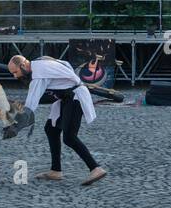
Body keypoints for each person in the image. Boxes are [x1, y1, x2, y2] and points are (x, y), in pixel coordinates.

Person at [8, 54, 107, 185]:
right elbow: (65, 64)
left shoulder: (39, 74)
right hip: (66, 98)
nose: (15, 76)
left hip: (75, 97)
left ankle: (95, 168)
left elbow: (32, 104)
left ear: (23, 65)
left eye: (16, 72)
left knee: (69, 137)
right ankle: (56, 171)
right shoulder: (40, 61)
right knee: (51, 130)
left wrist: (16, 126)